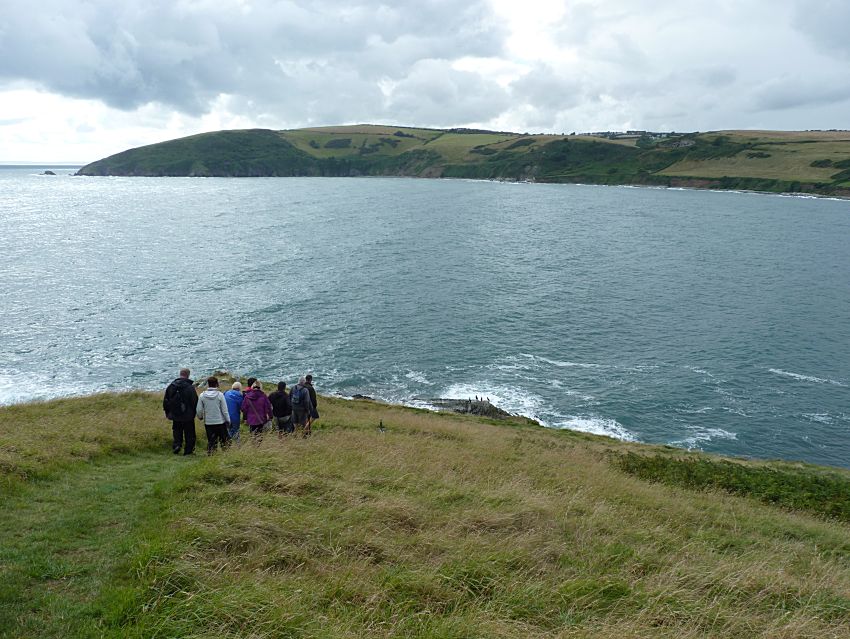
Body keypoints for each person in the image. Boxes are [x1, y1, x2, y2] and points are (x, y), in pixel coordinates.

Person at [163, 368, 199, 455]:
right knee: (189, 434)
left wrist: (168, 413)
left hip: (175, 414)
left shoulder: (171, 386)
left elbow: (166, 401)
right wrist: (194, 413)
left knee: (177, 431)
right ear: (188, 375)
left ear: (180, 374)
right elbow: (195, 401)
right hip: (188, 415)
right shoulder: (190, 388)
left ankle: (177, 445)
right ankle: (188, 451)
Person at [196, 376, 231, 454]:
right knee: (224, 442)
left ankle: (211, 456)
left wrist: (200, 416)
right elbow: (225, 410)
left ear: (208, 384)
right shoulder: (220, 395)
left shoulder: (202, 395)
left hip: (208, 422)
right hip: (220, 422)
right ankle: (227, 456)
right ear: (216, 384)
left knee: (211, 441)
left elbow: (199, 410)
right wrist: (228, 420)